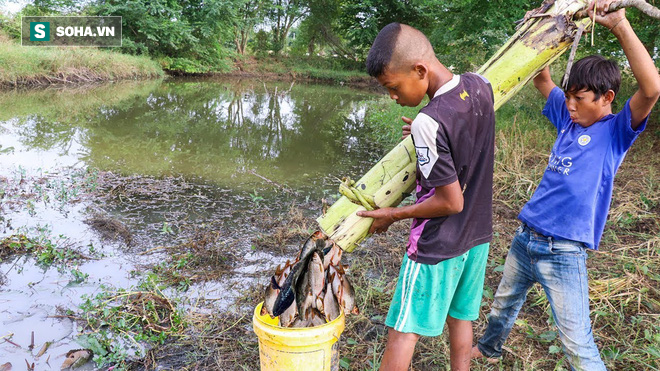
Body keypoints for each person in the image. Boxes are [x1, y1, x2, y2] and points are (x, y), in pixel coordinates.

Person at [472, 1, 660, 370]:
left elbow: (651, 89)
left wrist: (619, 24)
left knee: (575, 341)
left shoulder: (616, 132)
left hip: (564, 250)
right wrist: (537, 28)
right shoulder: (568, 119)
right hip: (526, 237)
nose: (570, 105)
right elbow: (542, 78)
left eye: (579, 98)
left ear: (606, 98)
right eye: (569, 96)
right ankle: (489, 348)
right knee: (503, 304)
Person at [357, 22, 496, 371]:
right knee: (460, 318)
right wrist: (426, 135)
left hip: (439, 243)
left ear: (419, 70)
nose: (392, 96)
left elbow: (451, 201)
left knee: (403, 331)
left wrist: (394, 214)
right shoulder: (480, 85)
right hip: (477, 237)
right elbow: (467, 134)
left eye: (393, 86)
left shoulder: (429, 121)